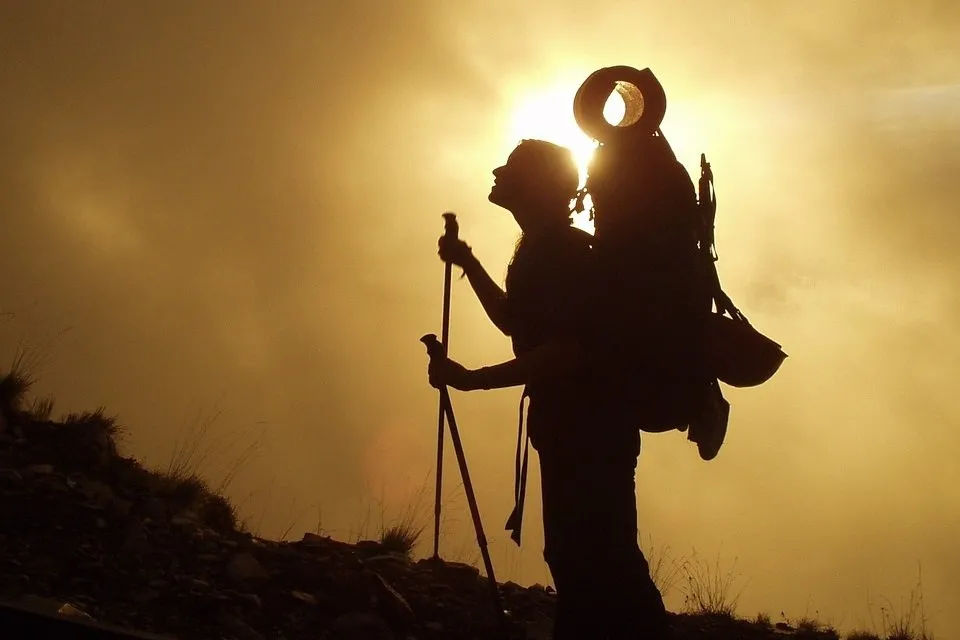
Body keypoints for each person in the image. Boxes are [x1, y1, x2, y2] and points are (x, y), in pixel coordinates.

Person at [427, 139, 669, 639]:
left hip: (589, 429)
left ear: (536, 184)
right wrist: (469, 263)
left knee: (595, 556)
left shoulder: (559, 252)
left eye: (512, 167)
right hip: (577, 428)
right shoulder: (543, 249)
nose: (498, 171)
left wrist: (472, 380)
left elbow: (563, 352)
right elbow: (518, 323)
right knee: (584, 553)